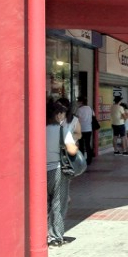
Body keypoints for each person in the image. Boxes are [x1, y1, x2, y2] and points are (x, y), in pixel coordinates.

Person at [46, 101, 79, 247]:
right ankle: (55, 236)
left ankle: (42, 233)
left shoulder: (38, 129)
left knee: (44, 204)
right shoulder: (62, 130)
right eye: (62, 115)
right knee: (58, 203)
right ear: (58, 115)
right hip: (58, 170)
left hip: (40, 172)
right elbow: (72, 150)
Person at [75, 97, 95, 165]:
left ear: (81, 102)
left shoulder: (79, 110)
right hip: (88, 129)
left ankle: (82, 159)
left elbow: (77, 120)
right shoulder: (90, 108)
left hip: (81, 129)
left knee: (81, 145)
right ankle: (89, 160)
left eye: (78, 101)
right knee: (87, 145)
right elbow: (93, 116)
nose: (77, 102)